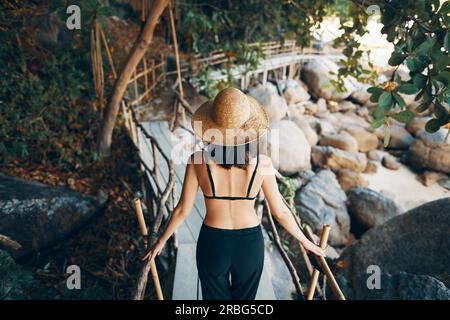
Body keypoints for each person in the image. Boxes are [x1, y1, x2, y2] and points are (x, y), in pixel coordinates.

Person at [143, 87, 325, 300]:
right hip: (249, 245)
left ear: (212, 129)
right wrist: (306, 241)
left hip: (213, 242)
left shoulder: (197, 161)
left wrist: (161, 241)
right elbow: (281, 212)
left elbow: (182, 210)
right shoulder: (263, 164)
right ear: (249, 131)